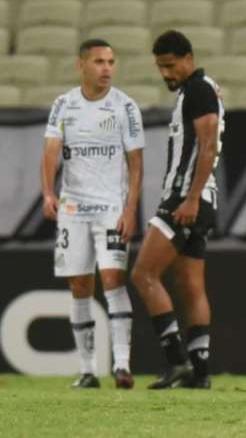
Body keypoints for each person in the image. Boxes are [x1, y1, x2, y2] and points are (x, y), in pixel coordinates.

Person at [41, 39, 144, 389]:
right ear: (81, 65)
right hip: (73, 209)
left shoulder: (125, 107)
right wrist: (48, 192)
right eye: (99, 61)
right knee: (80, 286)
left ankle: (122, 366)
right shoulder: (64, 105)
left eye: (111, 61)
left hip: (111, 209)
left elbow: (136, 163)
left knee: (113, 280)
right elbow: (51, 151)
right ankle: (86, 369)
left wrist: (131, 209)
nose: (107, 68)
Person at [131, 30, 225, 389]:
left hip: (188, 198)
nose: (165, 74)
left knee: (143, 274)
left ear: (188, 58)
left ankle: (177, 361)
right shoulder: (197, 90)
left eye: (169, 66)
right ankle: (200, 371)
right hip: (200, 199)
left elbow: (207, 144)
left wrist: (190, 197)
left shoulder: (199, 90)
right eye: (160, 68)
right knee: (190, 284)